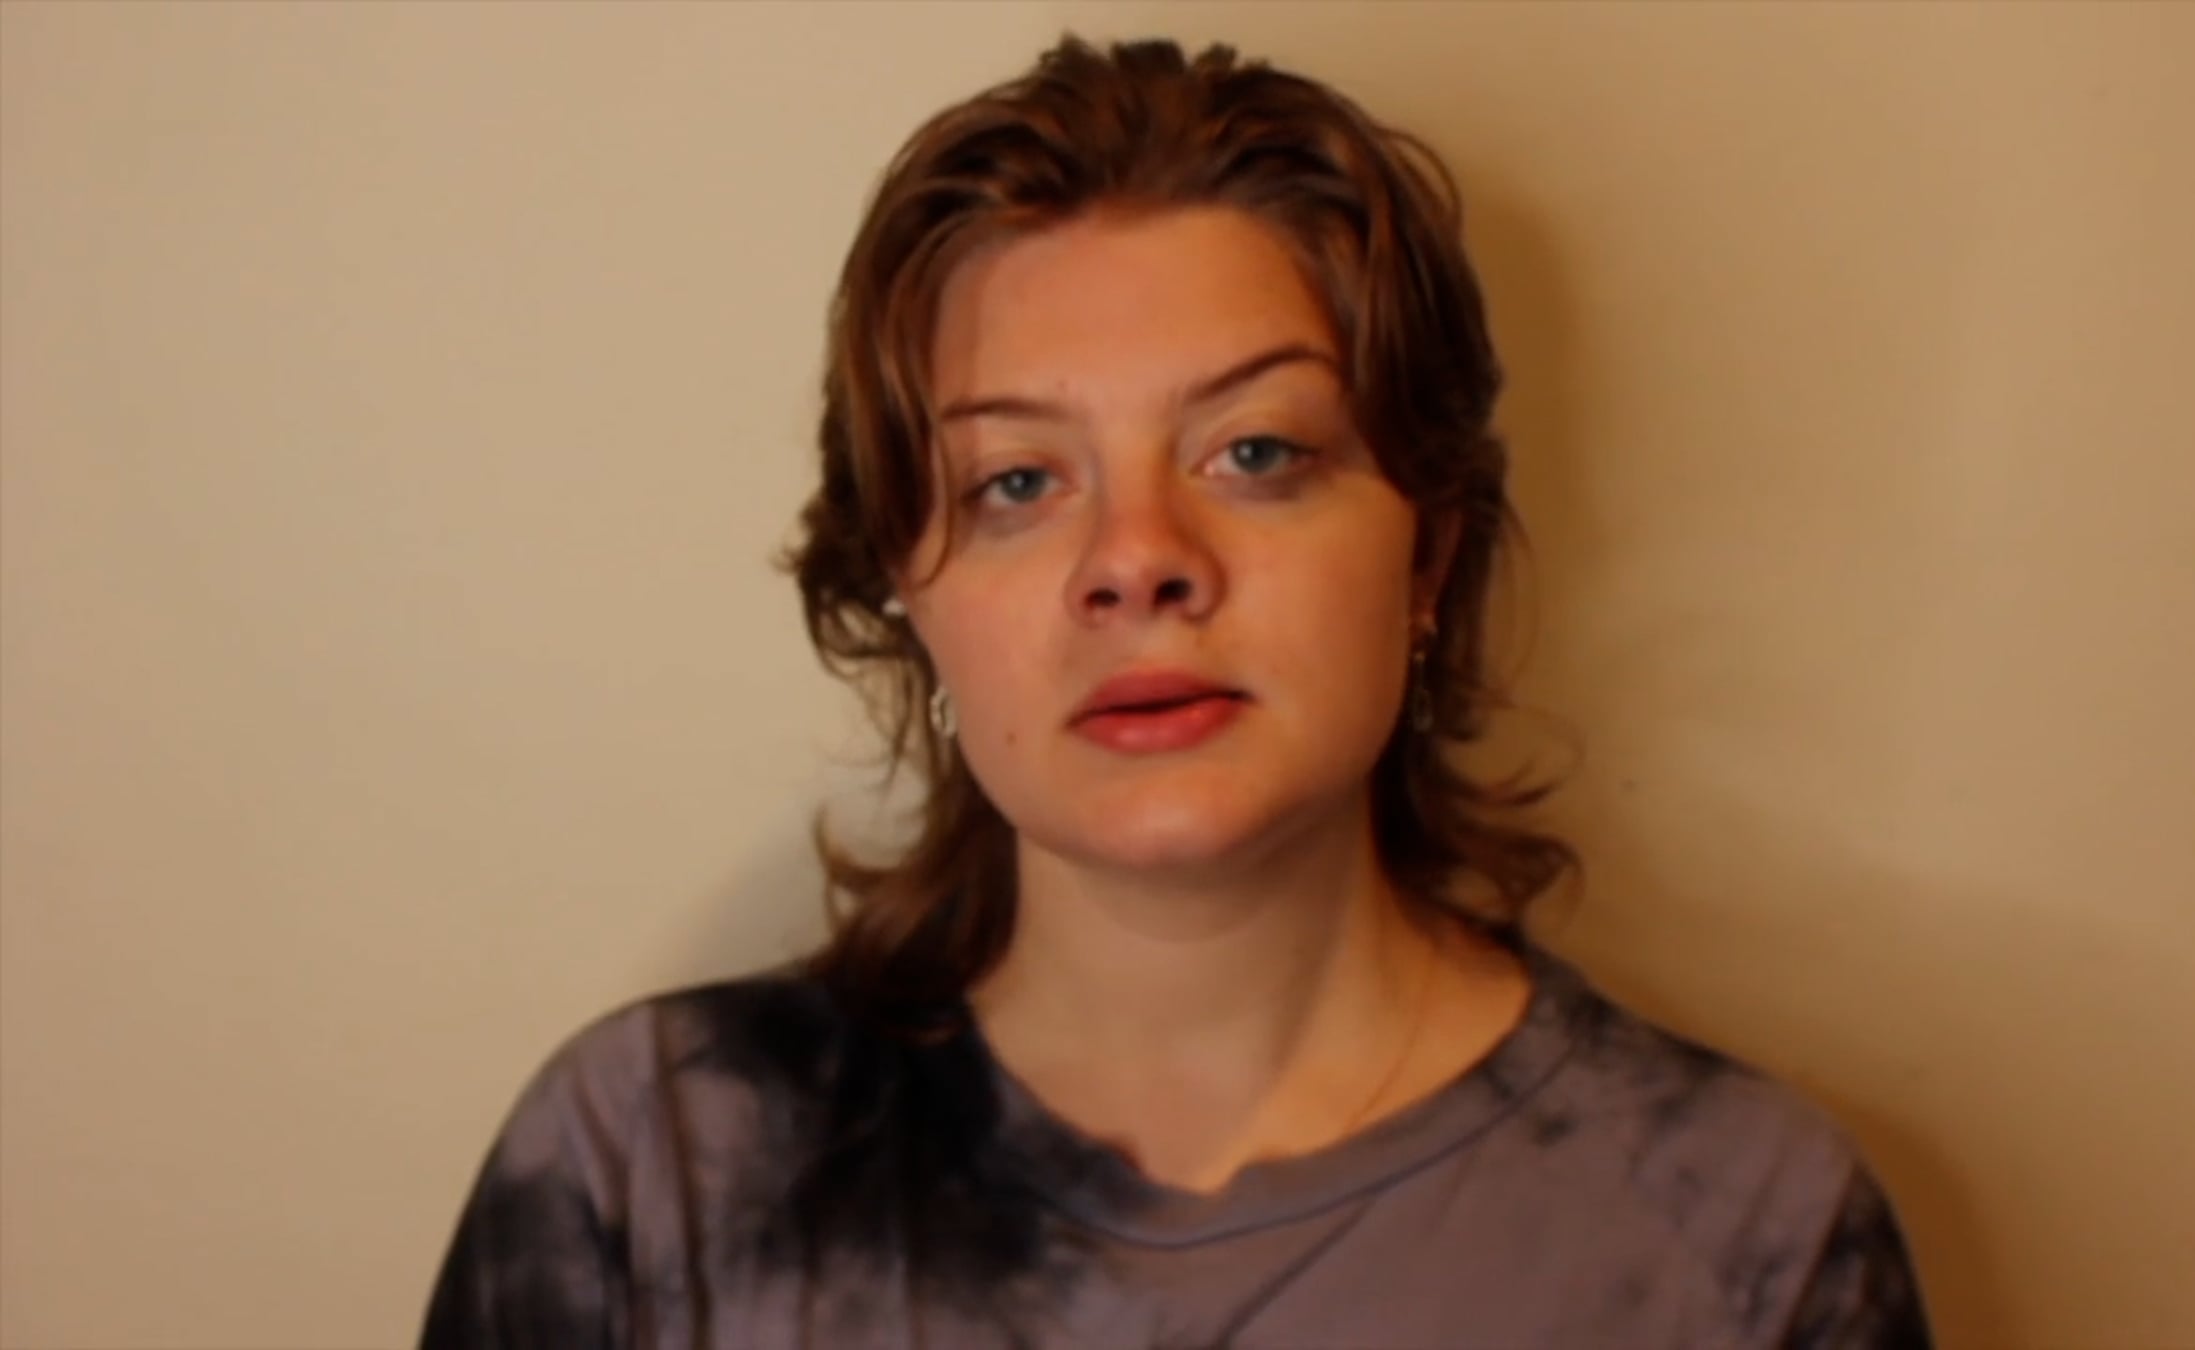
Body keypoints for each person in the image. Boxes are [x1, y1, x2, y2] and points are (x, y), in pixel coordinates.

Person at [421, 35, 1931, 1349]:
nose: (1136, 561)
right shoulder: (646, 1171)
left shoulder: (1750, 1239)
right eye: (1017, 481)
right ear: (909, 598)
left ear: (1428, 558)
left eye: (1255, 452)